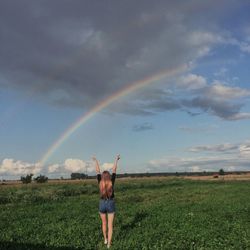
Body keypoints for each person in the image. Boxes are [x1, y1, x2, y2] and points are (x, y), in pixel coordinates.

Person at [92, 154, 120, 249]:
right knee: (110, 225)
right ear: (109, 176)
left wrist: (95, 161)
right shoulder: (111, 181)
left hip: (102, 203)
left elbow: (97, 170)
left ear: (102, 177)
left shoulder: (100, 181)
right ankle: (109, 244)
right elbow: (114, 170)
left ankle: (105, 239)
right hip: (110, 203)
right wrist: (116, 159)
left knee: (103, 223)